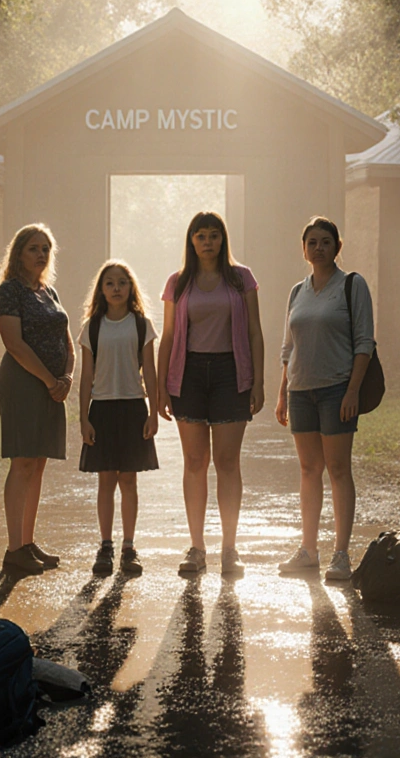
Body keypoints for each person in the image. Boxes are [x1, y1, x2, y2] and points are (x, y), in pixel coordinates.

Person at [156, 211, 265, 576]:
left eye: (214, 235)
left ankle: (229, 549)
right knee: (194, 462)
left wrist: (258, 381)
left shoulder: (241, 278)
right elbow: (168, 337)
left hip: (230, 374)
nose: (207, 242)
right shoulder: (178, 282)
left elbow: (254, 331)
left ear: (223, 239)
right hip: (188, 375)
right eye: (201, 236)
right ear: (191, 240)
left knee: (227, 461)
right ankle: (197, 547)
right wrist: (161, 387)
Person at [275, 217, 375, 581]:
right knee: (308, 470)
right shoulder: (296, 292)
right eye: (312, 242)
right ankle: (308, 550)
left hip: (337, 390)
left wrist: (352, 390)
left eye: (326, 242)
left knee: (338, 469)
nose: (319, 248)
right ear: (304, 249)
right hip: (300, 391)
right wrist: (283, 393)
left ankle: (341, 555)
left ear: (337, 247)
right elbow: (288, 347)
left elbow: (364, 342)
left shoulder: (351, 285)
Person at [0, 224, 74, 574]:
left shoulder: (48, 291)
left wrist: (67, 377)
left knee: (38, 464)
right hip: (23, 384)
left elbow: (68, 340)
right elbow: (14, 344)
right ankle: (14, 550)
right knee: (23, 462)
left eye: (45, 249)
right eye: (33, 248)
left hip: (53, 386)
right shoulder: (10, 290)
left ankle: (28, 542)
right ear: (18, 253)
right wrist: (49, 380)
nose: (41, 254)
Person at [78, 260, 160, 576]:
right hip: (102, 408)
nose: (116, 288)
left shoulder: (141, 325)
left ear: (131, 288)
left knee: (128, 480)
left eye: (122, 283)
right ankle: (105, 546)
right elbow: (86, 376)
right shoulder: (92, 327)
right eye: (110, 283)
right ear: (101, 289)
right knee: (106, 480)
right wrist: (83, 419)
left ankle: (128, 546)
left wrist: (153, 412)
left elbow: (149, 371)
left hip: (133, 407)